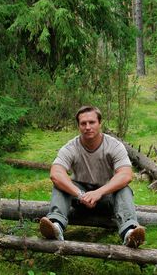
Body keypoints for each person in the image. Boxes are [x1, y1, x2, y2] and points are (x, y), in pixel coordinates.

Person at [39, 105, 145, 248]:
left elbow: (126, 174)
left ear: (100, 123)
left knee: (124, 189)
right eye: (83, 123)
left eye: (92, 122)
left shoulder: (114, 146)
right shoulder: (71, 147)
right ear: (78, 126)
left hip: (106, 198)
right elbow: (56, 173)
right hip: (79, 199)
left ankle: (129, 232)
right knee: (60, 184)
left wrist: (98, 192)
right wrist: (81, 195)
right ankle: (55, 225)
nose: (87, 127)